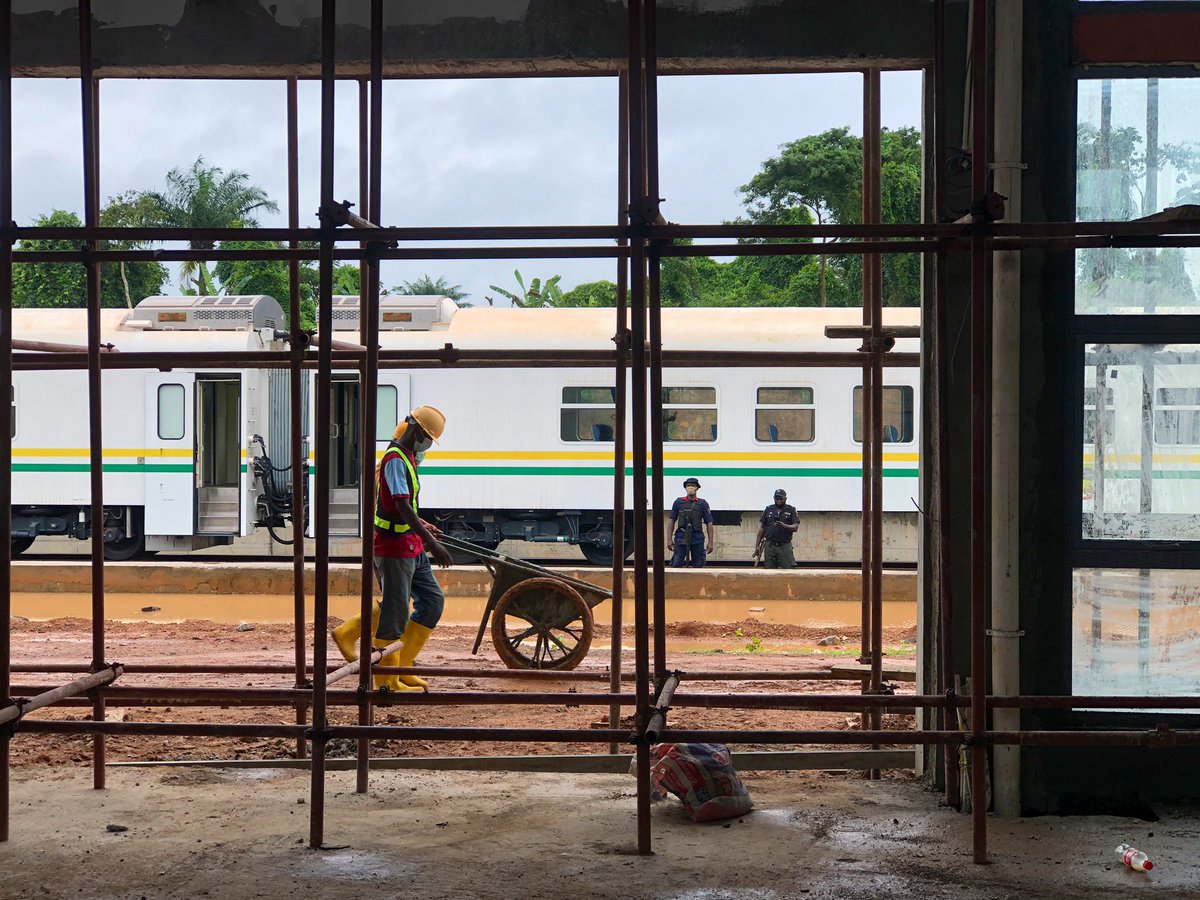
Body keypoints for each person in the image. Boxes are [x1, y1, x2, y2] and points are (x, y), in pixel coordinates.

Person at [331, 405, 454, 692]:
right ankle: (387, 681)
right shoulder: (396, 460)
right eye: (428, 438)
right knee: (395, 615)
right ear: (417, 431)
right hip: (394, 548)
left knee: (432, 602)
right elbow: (398, 504)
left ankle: (400, 666)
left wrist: (423, 526)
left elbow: (404, 506)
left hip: (411, 545)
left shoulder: (409, 457)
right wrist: (433, 543)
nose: (428, 445)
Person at [667, 476, 714, 567]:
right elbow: (671, 520)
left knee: (698, 564)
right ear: (685, 487)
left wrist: (711, 542)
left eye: (693, 485)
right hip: (681, 536)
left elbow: (709, 523)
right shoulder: (678, 502)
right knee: (677, 563)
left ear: (697, 488)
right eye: (688, 485)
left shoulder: (703, 504)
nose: (690, 487)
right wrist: (669, 539)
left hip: (697, 537)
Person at [755, 488, 799, 569]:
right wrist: (757, 546)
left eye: (781, 498)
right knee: (769, 571)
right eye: (776, 498)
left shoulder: (791, 510)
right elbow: (762, 528)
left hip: (784, 546)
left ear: (785, 498)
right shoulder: (768, 509)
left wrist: (783, 526)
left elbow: (795, 527)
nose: (778, 500)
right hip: (770, 546)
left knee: (789, 570)